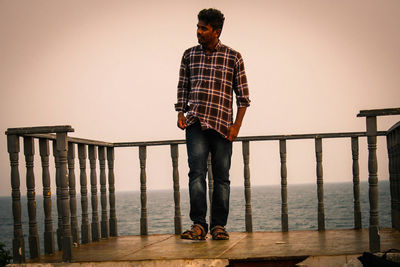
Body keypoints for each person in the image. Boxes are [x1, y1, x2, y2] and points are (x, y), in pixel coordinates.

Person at [175, 8, 250, 240]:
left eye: (203, 28)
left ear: (216, 31)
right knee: (196, 175)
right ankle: (199, 225)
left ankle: (219, 226)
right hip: (196, 123)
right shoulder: (189, 55)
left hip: (222, 126)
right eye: (197, 27)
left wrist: (236, 126)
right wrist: (180, 112)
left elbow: (243, 97)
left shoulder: (233, 57)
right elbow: (182, 87)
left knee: (221, 178)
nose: (198, 31)